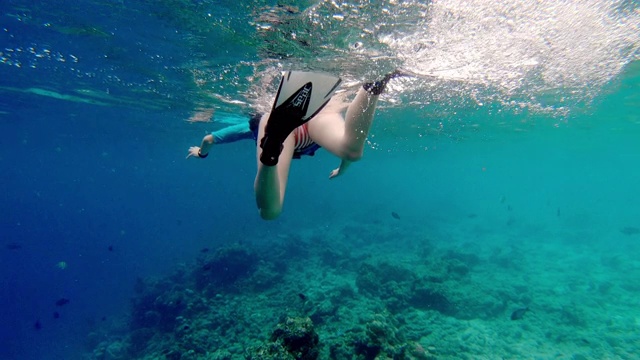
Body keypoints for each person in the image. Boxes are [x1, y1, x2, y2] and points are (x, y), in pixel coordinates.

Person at [187, 71, 401, 220]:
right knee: (352, 152)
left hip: (278, 127)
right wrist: (342, 169)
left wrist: (201, 153)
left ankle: (270, 152)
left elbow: (209, 139)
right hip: (319, 117)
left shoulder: (247, 126)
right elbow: (345, 155)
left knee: (269, 212)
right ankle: (372, 87)